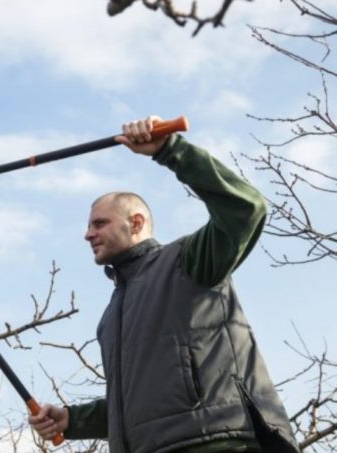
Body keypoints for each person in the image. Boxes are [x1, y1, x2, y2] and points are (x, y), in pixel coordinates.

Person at [28, 116, 300, 453]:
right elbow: (140, 407)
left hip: (217, 443)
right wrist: (72, 419)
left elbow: (246, 208)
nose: (88, 234)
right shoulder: (110, 318)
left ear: (136, 223)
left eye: (99, 223)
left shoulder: (186, 261)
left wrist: (171, 150)